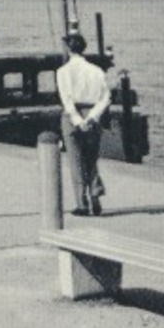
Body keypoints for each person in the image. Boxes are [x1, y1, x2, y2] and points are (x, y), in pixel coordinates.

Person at [56, 32, 113, 216]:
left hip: (73, 116)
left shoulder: (63, 71)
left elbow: (67, 98)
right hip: (93, 113)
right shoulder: (97, 71)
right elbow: (106, 98)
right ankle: (95, 198)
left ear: (68, 48)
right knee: (91, 158)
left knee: (75, 160)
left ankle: (82, 202)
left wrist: (78, 121)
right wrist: (92, 118)